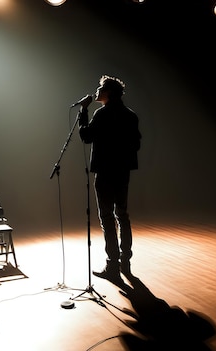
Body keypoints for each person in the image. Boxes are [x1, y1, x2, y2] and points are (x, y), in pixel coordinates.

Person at [78, 74, 142, 281]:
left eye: (100, 89)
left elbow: (86, 136)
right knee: (122, 216)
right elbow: (136, 144)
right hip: (122, 172)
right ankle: (125, 263)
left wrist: (83, 110)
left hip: (105, 172)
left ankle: (112, 266)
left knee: (107, 218)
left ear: (108, 93)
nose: (96, 91)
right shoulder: (131, 115)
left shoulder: (101, 114)